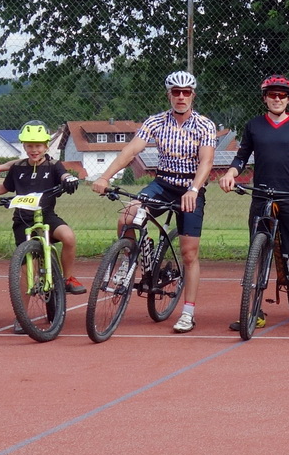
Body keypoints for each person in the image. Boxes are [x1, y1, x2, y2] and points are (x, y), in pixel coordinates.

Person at [92, 71, 216, 333]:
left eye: (186, 92)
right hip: (162, 184)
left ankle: (188, 312)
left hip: (190, 188)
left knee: (189, 254)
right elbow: (131, 150)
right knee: (127, 215)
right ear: (168, 94)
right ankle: (128, 257)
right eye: (175, 92)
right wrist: (104, 176)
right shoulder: (156, 122)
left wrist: (194, 189)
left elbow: (206, 162)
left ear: (193, 95)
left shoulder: (205, 125)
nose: (181, 97)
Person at [220, 74, 289, 332]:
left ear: (288, 99)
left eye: (282, 95)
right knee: (257, 255)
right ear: (265, 98)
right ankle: (255, 310)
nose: (277, 99)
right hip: (261, 196)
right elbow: (241, 157)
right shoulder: (254, 126)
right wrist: (230, 174)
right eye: (272, 95)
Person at [0, 121, 84, 304]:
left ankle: (68, 278)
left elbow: (64, 175)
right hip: (23, 220)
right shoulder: (18, 167)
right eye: (30, 146)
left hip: (47, 217)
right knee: (28, 268)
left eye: (38, 146)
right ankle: (22, 316)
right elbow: (5, 188)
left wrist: (68, 179)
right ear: (24, 146)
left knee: (68, 237)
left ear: (46, 146)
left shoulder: (54, 165)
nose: (34, 150)